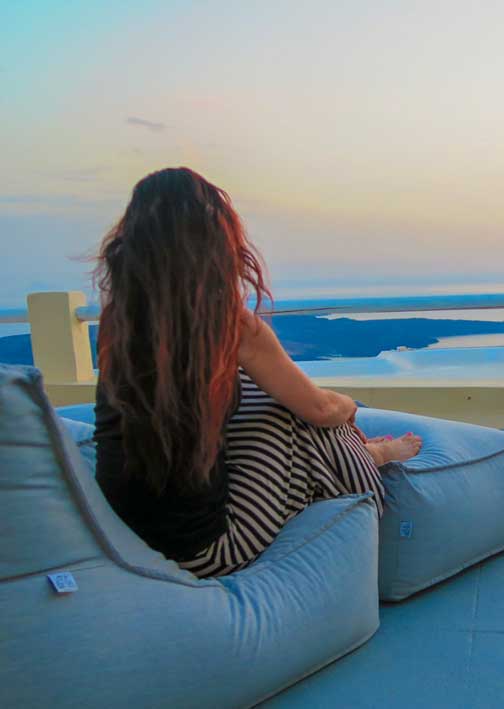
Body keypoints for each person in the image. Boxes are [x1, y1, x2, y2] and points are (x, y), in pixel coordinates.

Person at [92, 167, 421, 577]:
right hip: (204, 550)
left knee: (262, 389)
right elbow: (319, 409)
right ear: (214, 243)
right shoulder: (230, 324)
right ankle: (373, 457)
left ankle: (365, 454)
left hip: (124, 532)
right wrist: (349, 406)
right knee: (295, 413)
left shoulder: (116, 320)